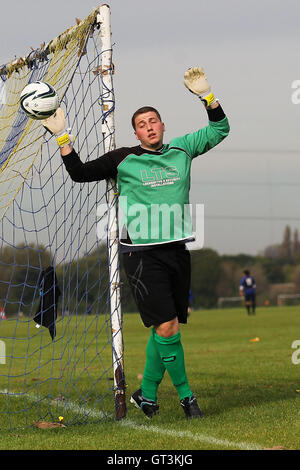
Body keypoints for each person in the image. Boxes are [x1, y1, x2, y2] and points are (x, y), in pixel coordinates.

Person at [42, 67, 230, 419]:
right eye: (142, 123)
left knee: (166, 327)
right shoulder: (122, 158)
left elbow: (221, 129)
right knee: (168, 326)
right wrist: (62, 137)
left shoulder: (182, 149)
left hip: (177, 248)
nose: (149, 126)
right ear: (135, 132)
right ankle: (188, 399)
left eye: (154, 120)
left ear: (163, 125)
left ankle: (146, 394)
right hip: (142, 255)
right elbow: (80, 174)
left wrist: (207, 97)